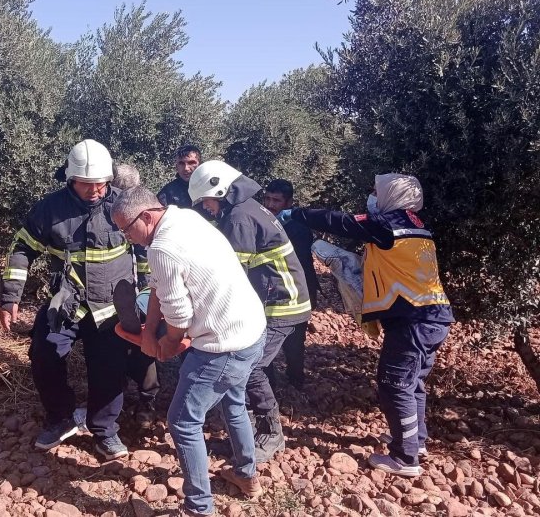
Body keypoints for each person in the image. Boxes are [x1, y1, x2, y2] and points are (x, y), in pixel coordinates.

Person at [280, 173, 453, 477]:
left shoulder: (389, 224)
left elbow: (340, 221)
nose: (372, 196)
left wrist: (298, 214)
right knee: (413, 383)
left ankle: (404, 458)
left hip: (412, 320)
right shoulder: (415, 224)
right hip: (431, 317)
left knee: (395, 384)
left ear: (392, 196)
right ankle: (416, 440)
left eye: (376, 191)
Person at [112, 186, 267, 517]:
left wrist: (165, 344)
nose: (128, 238)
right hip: (251, 330)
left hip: (222, 345)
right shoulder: (185, 219)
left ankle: (199, 509)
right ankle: (246, 475)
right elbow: (160, 288)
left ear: (147, 216)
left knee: (182, 422)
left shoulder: (162, 248)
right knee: (234, 402)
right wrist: (150, 332)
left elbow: (179, 316)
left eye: (127, 229)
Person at [0, 139, 133, 460]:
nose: (95, 191)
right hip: (65, 298)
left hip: (111, 302)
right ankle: (60, 418)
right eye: (87, 185)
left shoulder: (123, 206)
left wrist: (142, 297)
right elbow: (21, 249)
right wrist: (9, 297)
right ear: (70, 179)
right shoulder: (49, 209)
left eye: (101, 184)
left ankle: (105, 431)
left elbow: (144, 250)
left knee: (109, 367)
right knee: (44, 353)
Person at [188, 161, 312, 461]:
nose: (207, 207)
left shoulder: (240, 217)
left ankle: (271, 432)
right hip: (276, 300)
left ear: (220, 191)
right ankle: (250, 431)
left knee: (251, 366)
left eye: (207, 200)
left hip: (282, 303)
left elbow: (232, 274)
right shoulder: (245, 209)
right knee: (247, 366)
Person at [111, 161, 159, 427]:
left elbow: (146, 255)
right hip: (113, 291)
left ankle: (146, 402)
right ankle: (120, 397)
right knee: (119, 345)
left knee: (143, 346)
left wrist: (143, 288)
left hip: (137, 292)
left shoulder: (142, 212)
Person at [263, 179, 320, 388]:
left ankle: (296, 381)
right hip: (272, 292)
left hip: (298, 292)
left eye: (276, 200)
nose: (270, 204)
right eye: (267, 198)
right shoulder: (263, 221)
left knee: (295, 343)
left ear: (288, 203)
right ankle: (268, 384)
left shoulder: (298, 228)